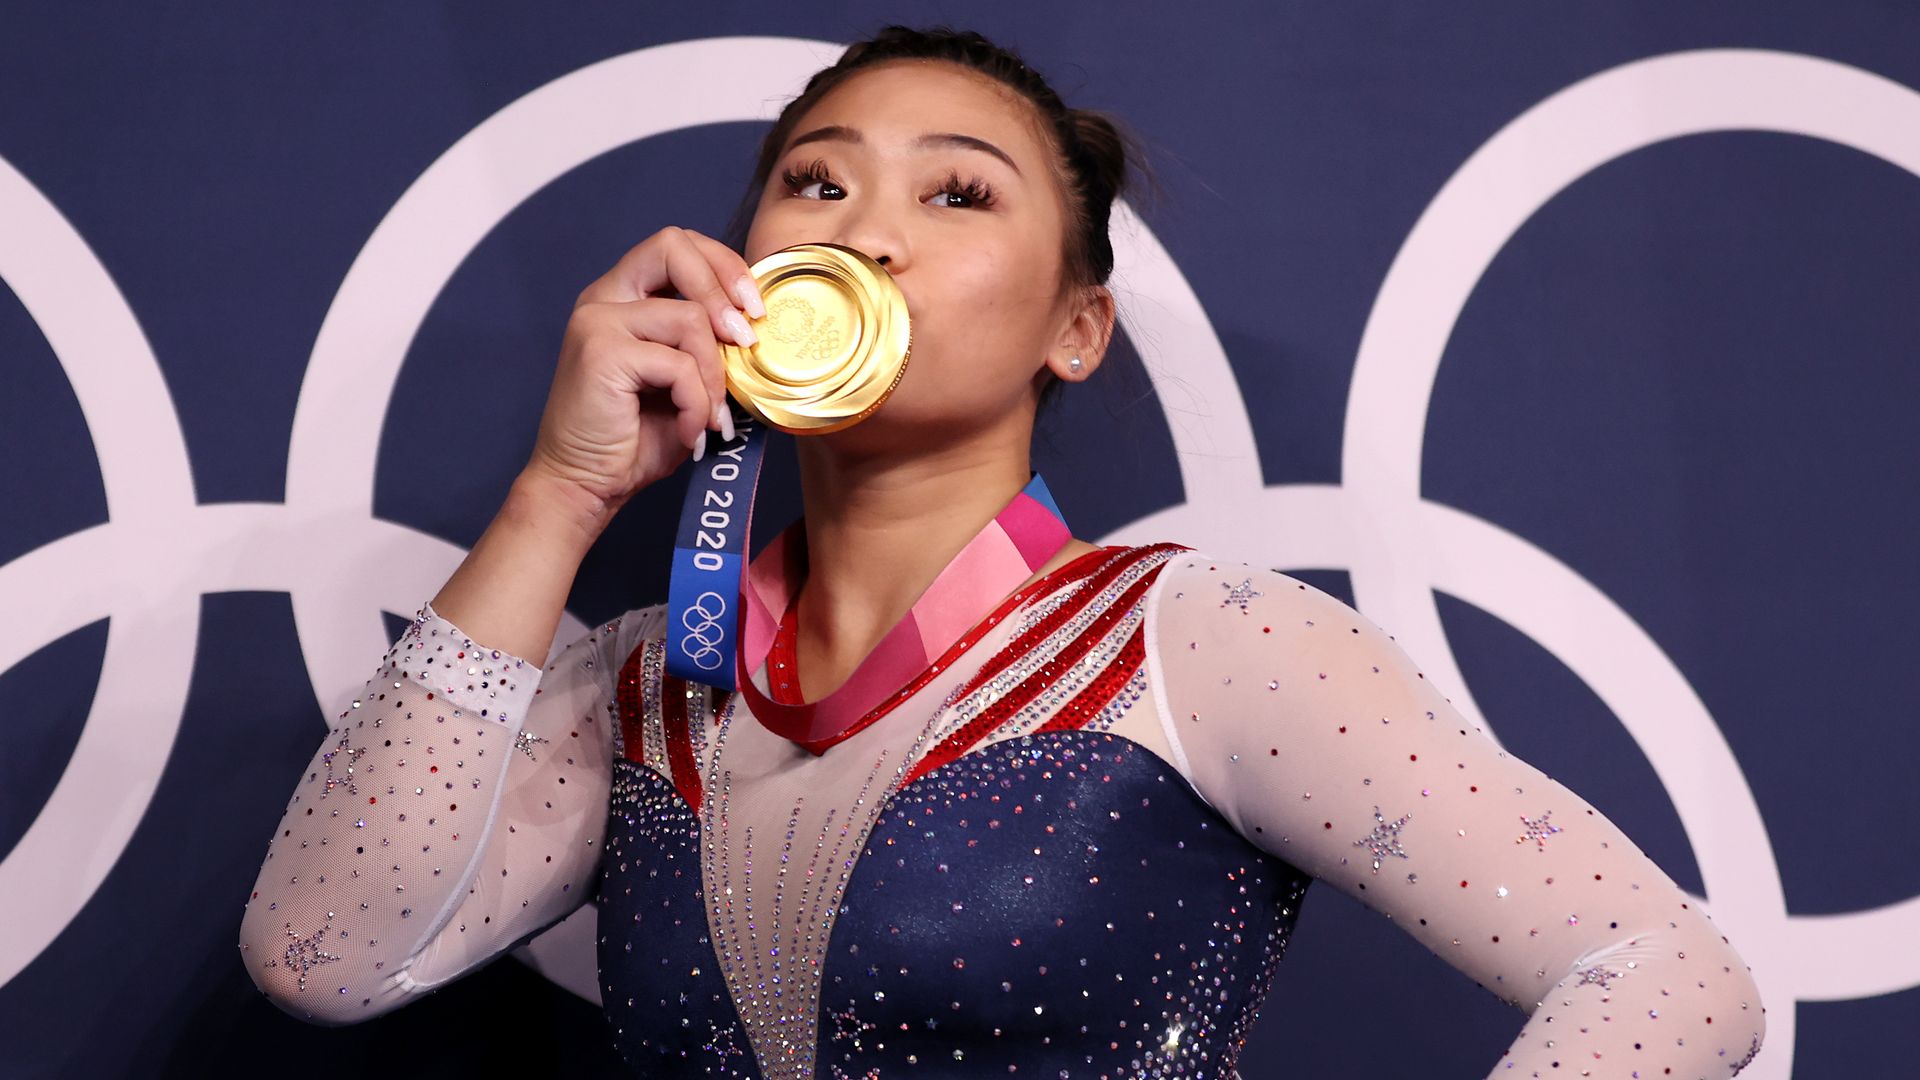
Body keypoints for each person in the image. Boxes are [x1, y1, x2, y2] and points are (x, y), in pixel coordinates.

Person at [238, 25, 1767, 1079]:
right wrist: (561, 494)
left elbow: (1672, 975)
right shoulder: (644, 685)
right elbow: (321, 954)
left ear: (1075, 328)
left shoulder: (1198, 646)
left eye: (957, 192)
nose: (868, 234)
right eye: (815, 183)